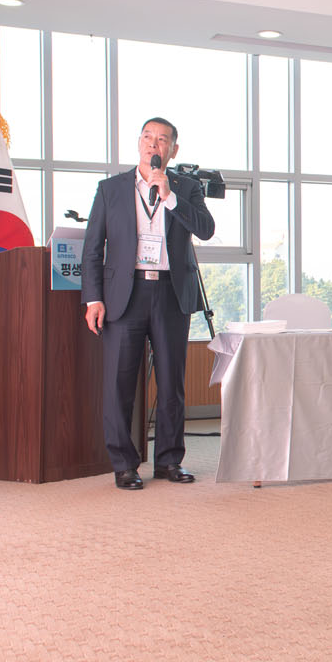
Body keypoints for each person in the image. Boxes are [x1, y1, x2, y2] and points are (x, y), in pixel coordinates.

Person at [82, 117, 216, 490]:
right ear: (139, 143)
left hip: (171, 293)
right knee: (119, 383)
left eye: (161, 139)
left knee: (172, 382)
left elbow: (205, 229)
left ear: (173, 149)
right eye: (147, 137)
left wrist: (169, 196)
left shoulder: (186, 188)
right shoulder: (110, 189)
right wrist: (93, 298)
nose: (153, 144)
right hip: (125, 295)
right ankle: (124, 465)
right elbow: (92, 248)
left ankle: (169, 461)